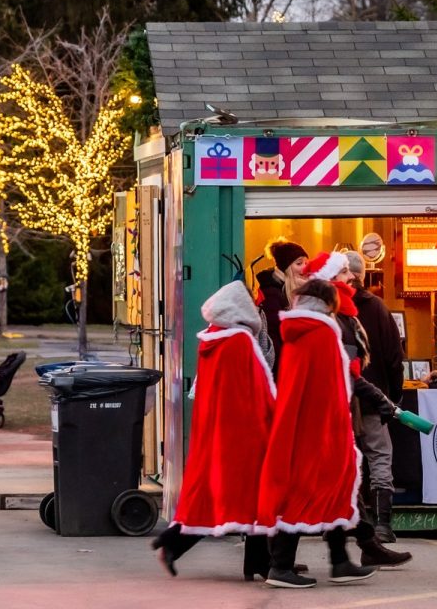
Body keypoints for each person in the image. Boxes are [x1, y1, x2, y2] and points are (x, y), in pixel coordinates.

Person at [153, 280, 278, 580]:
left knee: (220, 494)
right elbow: (258, 387)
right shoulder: (241, 341)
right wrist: (275, 417)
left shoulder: (212, 338)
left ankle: (255, 561)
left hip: (218, 429)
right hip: (247, 432)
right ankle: (256, 561)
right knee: (258, 494)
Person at [257, 279, 377, 589]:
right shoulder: (322, 333)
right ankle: (281, 566)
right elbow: (330, 388)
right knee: (307, 492)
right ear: (329, 303)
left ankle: (339, 561)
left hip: (303, 426)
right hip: (320, 430)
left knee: (332, 491)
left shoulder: (299, 332)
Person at [340, 251, 405, 543]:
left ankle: (346, 522)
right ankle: (382, 525)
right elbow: (395, 357)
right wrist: (393, 396)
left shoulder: (332, 308)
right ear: (362, 276)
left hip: (342, 400)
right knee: (379, 457)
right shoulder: (378, 308)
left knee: (345, 461)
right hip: (372, 398)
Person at [255, 239, 307, 364]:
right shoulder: (271, 294)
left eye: (306, 263)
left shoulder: (296, 291)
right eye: (299, 263)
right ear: (286, 268)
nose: (305, 268)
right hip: (281, 365)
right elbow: (274, 337)